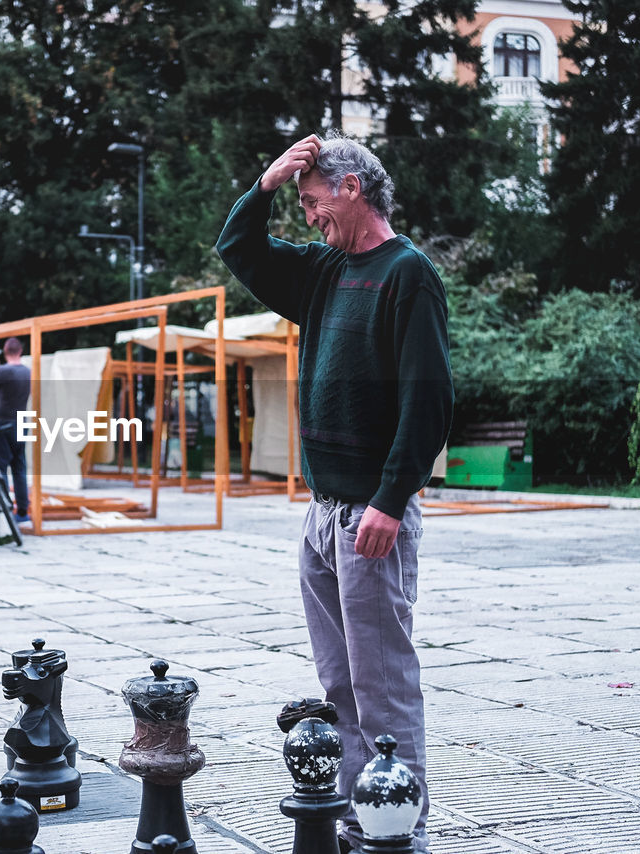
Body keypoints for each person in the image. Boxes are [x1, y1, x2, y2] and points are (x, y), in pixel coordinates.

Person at [216, 131, 452, 853]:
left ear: (352, 189)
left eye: (314, 200)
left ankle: (398, 820)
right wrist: (266, 182)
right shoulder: (321, 274)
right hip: (323, 516)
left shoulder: (408, 274)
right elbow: (239, 249)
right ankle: (358, 814)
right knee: (338, 681)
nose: (309, 215)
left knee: (381, 679)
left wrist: (389, 498)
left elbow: (429, 399)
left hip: (371, 514)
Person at [0, 337, 32, 525]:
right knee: (19, 468)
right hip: (21, 423)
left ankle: (4, 510)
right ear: (20, 351)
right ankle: (23, 512)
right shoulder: (27, 372)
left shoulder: (2, 371)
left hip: (1, 424)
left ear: (5, 351)